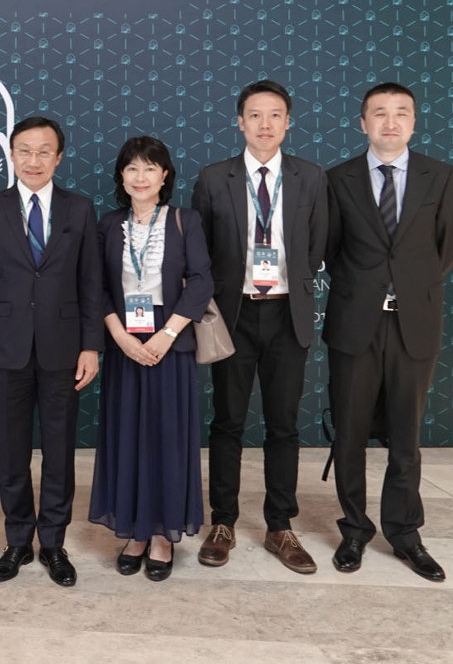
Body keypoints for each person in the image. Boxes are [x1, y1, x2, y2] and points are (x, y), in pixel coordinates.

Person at [324, 82, 453, 581]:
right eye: (379, 113)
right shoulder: (336, 178)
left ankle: (405, 533)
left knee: (406, 436)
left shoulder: (440, 176)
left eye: (401, 112)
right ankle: (354, 530)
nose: (390, 121)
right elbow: (329, 248)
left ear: (414, 122)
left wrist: (407, 284)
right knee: (350, 434)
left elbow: (448, 245)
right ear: (362, 123)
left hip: (414, 322)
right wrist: (366, 288)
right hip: (354, 322)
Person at [189, 79, 328, 574]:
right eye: (254, 115)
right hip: (234, 316)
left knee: (283, 424)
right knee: (227, 421)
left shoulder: (311, 177)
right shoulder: (214, 178)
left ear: (288, 122)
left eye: (274, 115)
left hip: (288, 314)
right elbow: (200, 252)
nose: (264, 124)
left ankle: (279, 525)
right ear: (239, 122)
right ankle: (223, 522)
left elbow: (317, 245)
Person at [0, 116, 103, 587]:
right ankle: (16, 541)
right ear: (11, 154)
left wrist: (91, 346)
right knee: (12, 452)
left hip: (63, 348)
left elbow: (91, 283)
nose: (33, 160)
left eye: (44, 151)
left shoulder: (79, 208)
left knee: (59, 452)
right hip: (6, 348)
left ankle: (53, 543)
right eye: (24, 150)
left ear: (58, 158)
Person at [89, 136, 213, 581]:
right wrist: (119, 335)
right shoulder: (108, 224)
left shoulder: (185, 220)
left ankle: (162, 534)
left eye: (149, 168)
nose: (140, 177)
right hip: (124, 341)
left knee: (167, 438)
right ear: (121, 177)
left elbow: (201, 280)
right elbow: (96, 286)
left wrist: (167, 334)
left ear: (164, 175)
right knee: (127, 436)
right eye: (132, 169)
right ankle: (134, 531)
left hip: (170, 341)